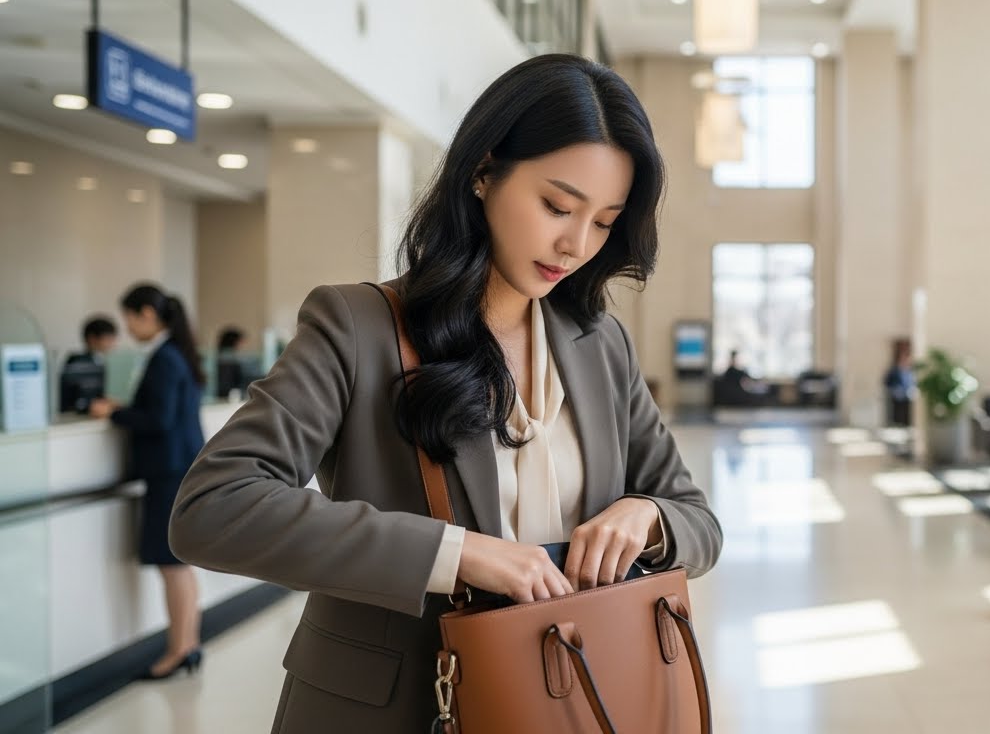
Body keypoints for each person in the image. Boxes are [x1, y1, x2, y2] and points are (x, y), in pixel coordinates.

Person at [167, 55, 722, 731]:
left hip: (571, 699)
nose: (575, 243)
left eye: (604, 220)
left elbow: (698, 522)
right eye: (556, 205)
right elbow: (214, 507)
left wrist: (646, 515)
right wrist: (457, 553)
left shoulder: (596, 342)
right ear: (483, 172)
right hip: (402, 709)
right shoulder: (358, 327)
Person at [88, 284, 206, 680]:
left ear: (147, 315)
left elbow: (158, 420)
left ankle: (178, 650)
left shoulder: (164, 359)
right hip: (180, 469)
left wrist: (114, 414)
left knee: (172, 566)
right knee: (180, 565)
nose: (128, 327)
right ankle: (187, 645)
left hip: (169, 473)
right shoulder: (175, 355)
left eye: (130, 318)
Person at [59, 316, 117, 413]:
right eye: (108, 339)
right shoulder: (77, 363)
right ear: (92, 338)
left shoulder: (99, 362)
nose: (112, 344)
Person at [883, 339, 915, 427]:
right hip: (896, 398)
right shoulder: (894, 370)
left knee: (907, 417)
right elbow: (887, 382)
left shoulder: (910, 371)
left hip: (907, 397)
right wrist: (895, 389)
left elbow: (912, 382)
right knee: (897, 417)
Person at [215, 326, 247, 399]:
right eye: (240, 342)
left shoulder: (219, 358)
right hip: (225, 398)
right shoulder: (229, 360)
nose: (241, 346)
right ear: (234, 342)